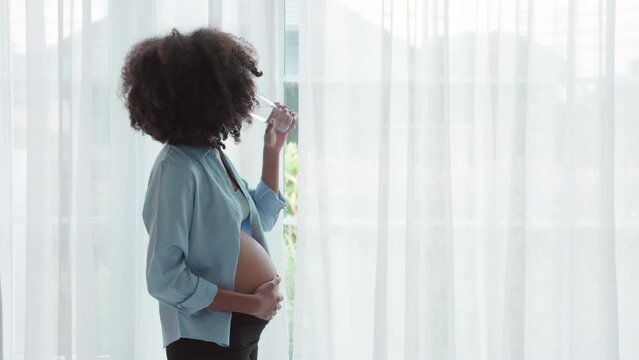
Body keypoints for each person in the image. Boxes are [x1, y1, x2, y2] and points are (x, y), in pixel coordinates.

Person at [120, 27, 297, 360]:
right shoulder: (177, 168)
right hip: (205, 342)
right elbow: (164, 278)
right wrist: (251, 303)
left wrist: (272, 149)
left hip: (236, 333)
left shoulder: (212, 154)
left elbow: (262, 219)